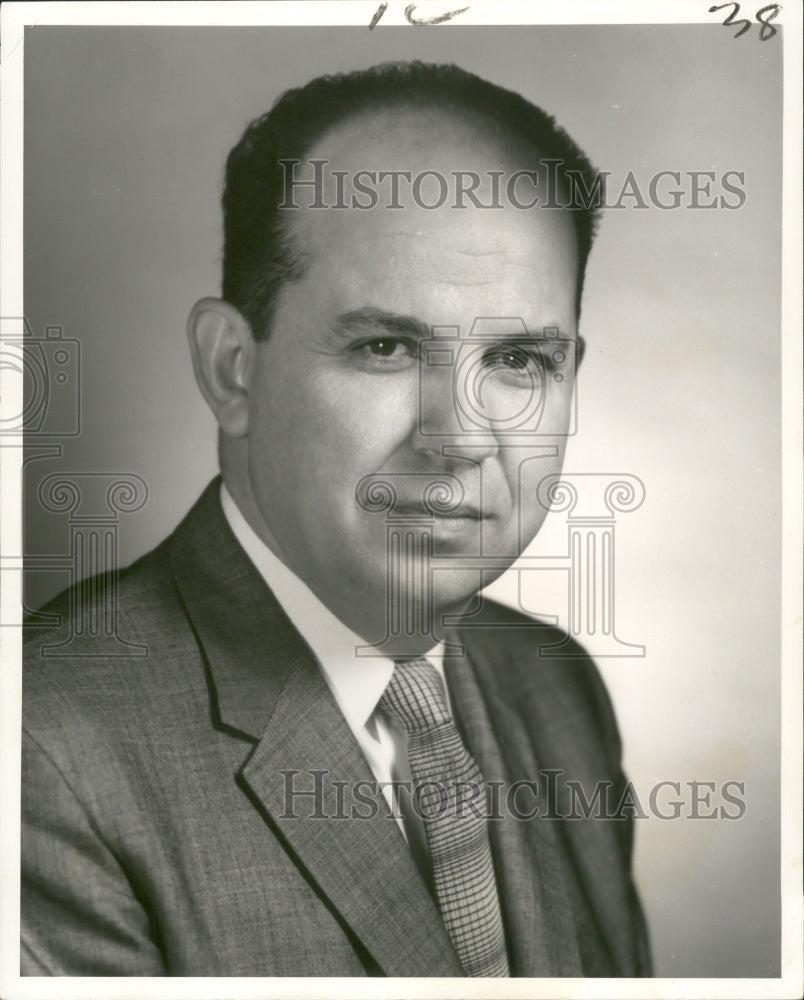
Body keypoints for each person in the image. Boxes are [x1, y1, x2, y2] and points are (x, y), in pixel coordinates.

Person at [22, 61, 651, 977]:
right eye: (386, 347)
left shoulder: (555, 693)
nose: (461, 440)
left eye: (519, 360)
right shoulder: (43, 758)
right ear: (232, 369)